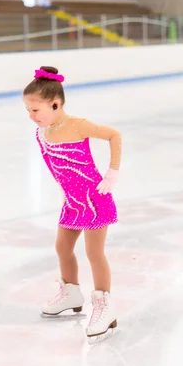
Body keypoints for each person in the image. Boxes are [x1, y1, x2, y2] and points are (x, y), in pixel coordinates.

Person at [23, 66, 122, 343]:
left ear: (55, 104)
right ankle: (72, 293)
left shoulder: (78, 125)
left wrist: (112, 173)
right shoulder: (43, 132)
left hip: (94, 198)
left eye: (35, 110)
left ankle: (105, 306)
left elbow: (114, 135)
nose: (31, 116)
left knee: (94, 253)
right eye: (28, 111)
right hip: (73, 201)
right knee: (62, 247)